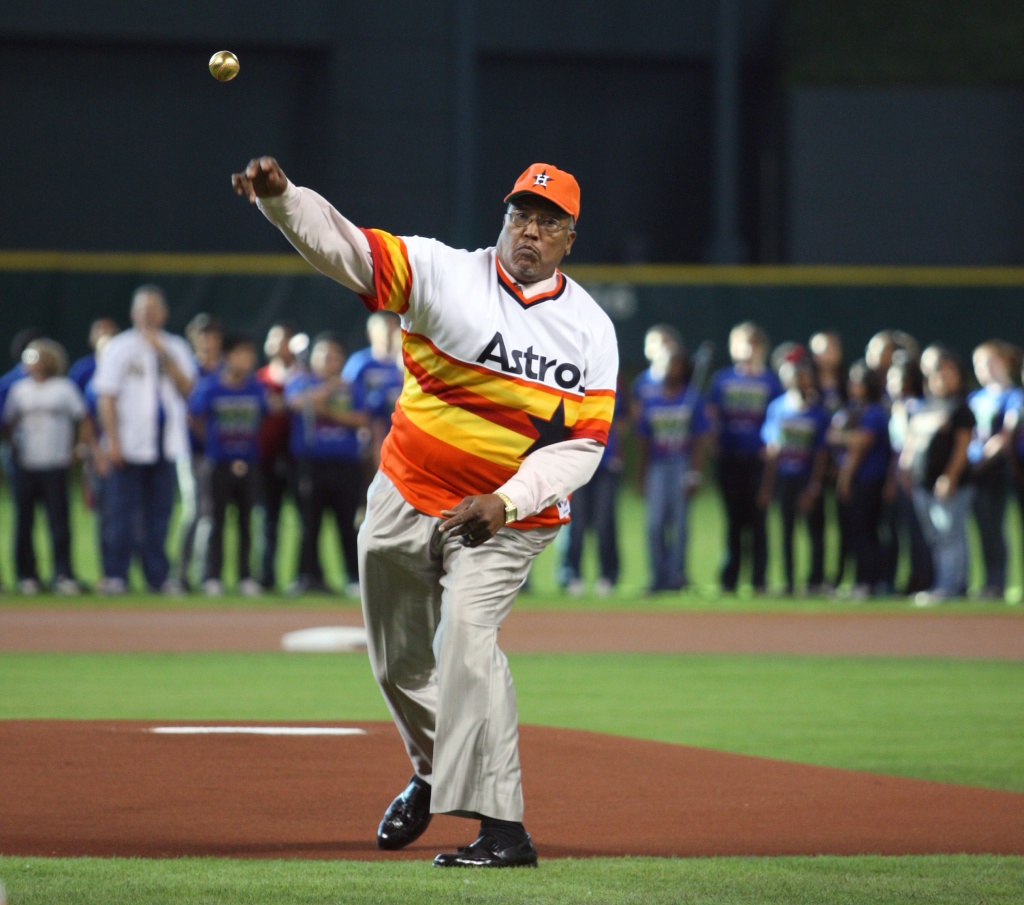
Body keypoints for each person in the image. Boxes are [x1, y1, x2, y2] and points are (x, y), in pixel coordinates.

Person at [233, 156, 617, 868]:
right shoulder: (442, 271)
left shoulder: (590, 330)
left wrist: (506, 501)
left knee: (468, 645)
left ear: (570, 239)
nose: (530, 232)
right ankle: (435, 769)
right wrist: (283, 201)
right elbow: (346, 246)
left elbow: (584, 448)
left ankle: (504, 828)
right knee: (398, 660)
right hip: (406, 488)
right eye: (520, 216)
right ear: (503, 219)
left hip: (505, 519)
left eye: (548, 223)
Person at [92, 285, 197, 594]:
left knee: (159, 515)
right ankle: (116, 575)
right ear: (134, 314)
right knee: (121, 513)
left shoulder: (175, 346)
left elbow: (188, 389)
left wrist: (161, 353)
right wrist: (112, 441)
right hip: (129, 444)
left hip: (165, 445)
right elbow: (106, 397)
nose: (149, 315)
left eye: (154, 309)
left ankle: (157, 576)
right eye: (143, 309)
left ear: (163, 313)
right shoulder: (120, 347)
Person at [3, 339, 93, 594]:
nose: (34, 362)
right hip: (26, 465)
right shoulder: (19, 389)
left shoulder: (63, 388)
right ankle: (26, 576)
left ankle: (63, 574)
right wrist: (13, 448)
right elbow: (9, 423)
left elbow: (83, 418)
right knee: (24, 522)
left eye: (39, 356)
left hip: (55, 464)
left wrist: (79, 447)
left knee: (59, 522)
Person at [284, 332, 367, 597]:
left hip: (345, 465)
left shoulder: (353, 386)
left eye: (335, 356)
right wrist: (328, 390)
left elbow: (362, 418)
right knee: (310, 522)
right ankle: (308, 577)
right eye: (324, 355)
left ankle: (354, 577)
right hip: (311, 464)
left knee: (347, 523)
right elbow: (298, 404)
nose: (330, 361)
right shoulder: (301, 382)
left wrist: (330, 412)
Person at [189, 333, 267, 596]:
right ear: (229, 356)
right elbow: (195, 417)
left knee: (247, 522)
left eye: (250, 354)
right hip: (218, 465)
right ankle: (212, 576)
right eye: (242, 354)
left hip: (248, 462)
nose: (248, 360)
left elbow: (265, 417)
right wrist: (212, 444)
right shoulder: (210, 387)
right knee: (216, 521)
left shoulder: (255, 387)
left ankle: (246, 577)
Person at [706, 322, 782, 593]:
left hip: (757, 460)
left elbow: (778, 417)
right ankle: (730, 580)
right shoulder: (723, 379)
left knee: (758, 520)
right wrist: (714, 444)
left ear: (761, 347)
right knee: (734, 520)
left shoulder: (770, 381)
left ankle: (759, 580)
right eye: (740, 342)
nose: (747, 349)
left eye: (752, 343)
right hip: (730, 457)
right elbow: (712, 414)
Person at [898, 351, 975, 604]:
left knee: (950, 535)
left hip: (948, 483)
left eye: (947, 374)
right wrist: (906, 470)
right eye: (937, 374)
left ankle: (952, 586)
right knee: (934, 537)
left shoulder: (960, 408)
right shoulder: (923, 407)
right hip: (922, 483)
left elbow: (962, 448)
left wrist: (949, 477)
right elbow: (911, 443)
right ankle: (942, 583)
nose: (941, 379)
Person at [635, 347, 709, 593]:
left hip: (681, 464)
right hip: (657, 465)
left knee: (680, 524)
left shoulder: (692, 397)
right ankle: (658, 578)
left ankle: (677, 576)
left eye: (675, 364)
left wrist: (695, 472)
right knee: (655, 524)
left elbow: (700, 438)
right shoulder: (651, 399)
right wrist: (641, 475)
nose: (670, 369)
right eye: (666, 364)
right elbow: (644, 440)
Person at [758, 350, 831, 595]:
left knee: (815, 530)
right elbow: (771, 451)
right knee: (786, 531)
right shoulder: (777, 408)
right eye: (794, 376)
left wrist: (814, 486)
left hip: (806, 477)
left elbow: (821, 453)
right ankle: (789, 582)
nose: (799, 381)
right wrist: (767, 486)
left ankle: (815, 581)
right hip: (784, 479)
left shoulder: (818, 412)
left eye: (803, 376)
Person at [826, 360, 891, 599]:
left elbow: (861, 443)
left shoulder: (874, 411)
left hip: (867, 479)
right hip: (853, 478)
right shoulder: (850, 408)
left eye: (859, 381)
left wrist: (845, 478)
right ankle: (855, 580)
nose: (853, 385)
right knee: (851, 533)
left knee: (865, 531)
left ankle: (869, 581)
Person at [558, 382, 624, 596]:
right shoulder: (570, 386)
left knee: (604, 523)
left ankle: (608, 575)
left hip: (604, 466)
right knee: (574, 524)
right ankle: (571, 573)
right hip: (576, 465)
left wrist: (618, 449)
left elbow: (622, 419)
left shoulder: (610, 387)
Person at [254, 321, 304, 590]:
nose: (277, 346)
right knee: (268, 519)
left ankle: (302, 577)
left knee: (304, 520)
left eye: (282, 340)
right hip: (267, 458)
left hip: (298, 458)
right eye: (272, 340)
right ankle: (265, 577)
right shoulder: (260, 378)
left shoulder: (304, 378)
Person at [176, 313, 225, 589]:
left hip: (220, 454)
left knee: (212, 514)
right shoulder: (187, 369)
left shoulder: (225, 370)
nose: (207, 341)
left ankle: (206, 574)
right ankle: (181, 575)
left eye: (212, 335)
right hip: (191, 450)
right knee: (195, 510)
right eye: (202, 336)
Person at [966, 340, 1017, 600]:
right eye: (978, 364)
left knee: (997, 527)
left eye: (989, 362)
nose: (984, 369)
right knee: (983, 528)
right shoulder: (975, 398)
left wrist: (984, 459)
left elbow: (1006, 435)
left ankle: (998, 582)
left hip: (999, 470)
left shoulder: (1014, 396)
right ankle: (987, 582)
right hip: (975, 473)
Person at [67, 318, 120, 394]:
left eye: (111, 333)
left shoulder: (126, 364)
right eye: (101, 334)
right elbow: (71, 397)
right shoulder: (81, 368)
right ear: (90, 339)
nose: (106, 338)